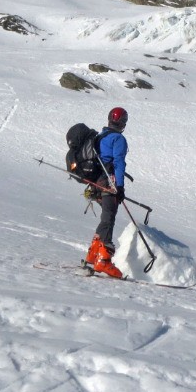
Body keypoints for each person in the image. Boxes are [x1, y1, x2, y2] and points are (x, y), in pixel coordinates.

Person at [83, 107, 129, 278]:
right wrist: (120, 187)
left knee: (106, 216)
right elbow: (118, 163)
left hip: (95, 182)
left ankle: (94, 253)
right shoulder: (118, 139)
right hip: (109, 181)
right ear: (123, 122)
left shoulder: (100, 136)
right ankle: (104, 260)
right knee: (109, 216)